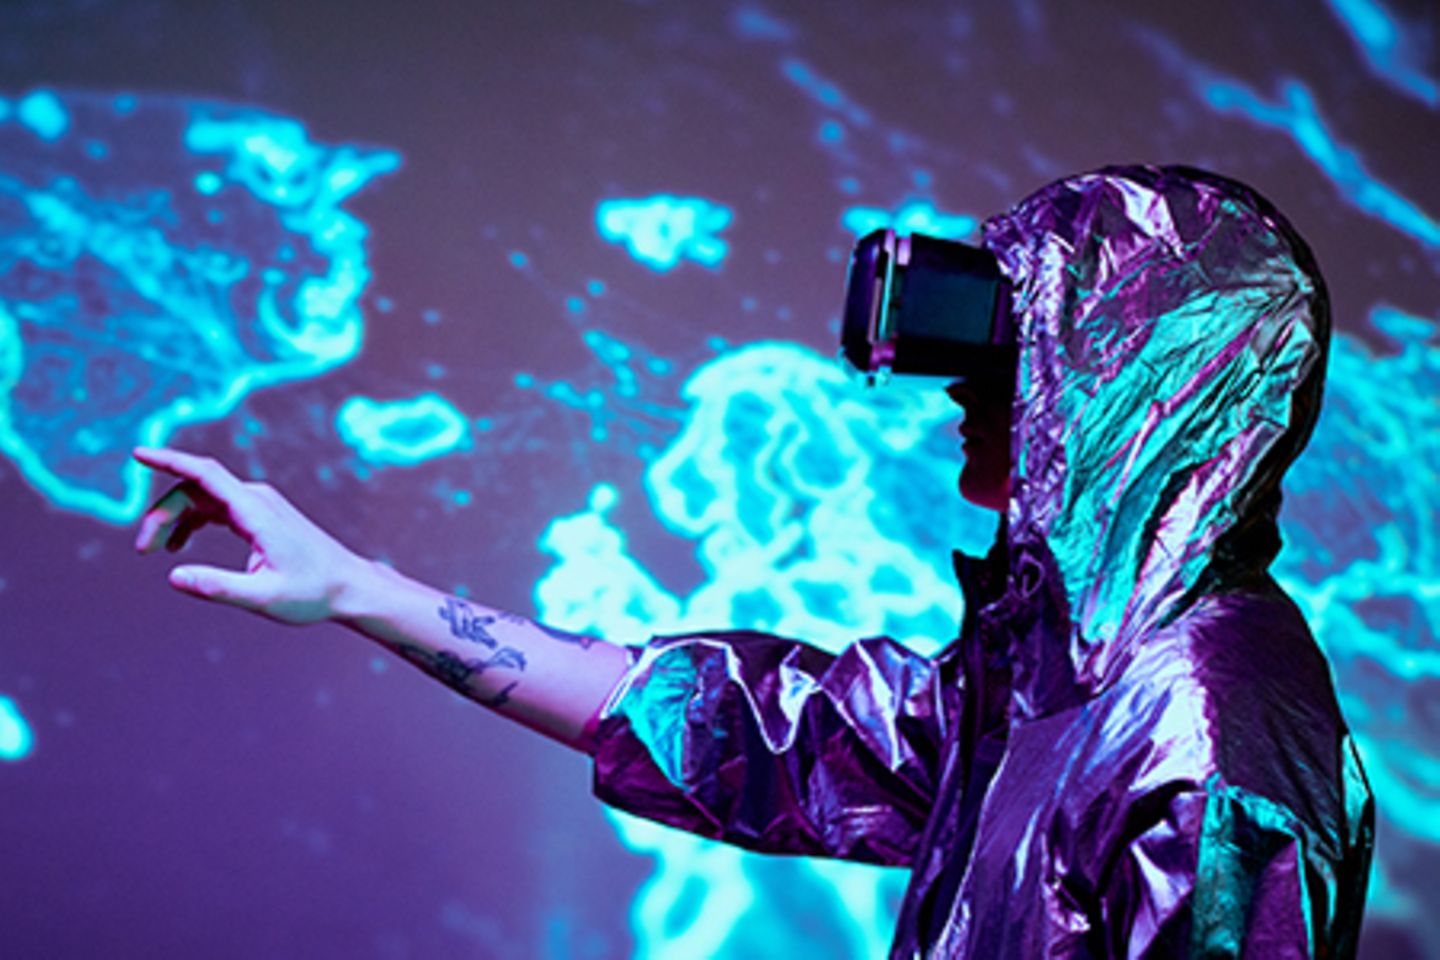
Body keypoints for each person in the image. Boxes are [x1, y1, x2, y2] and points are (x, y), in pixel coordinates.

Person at [137, 166, 1373, 957]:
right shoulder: (1055, 671)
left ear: (1139, 399)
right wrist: (358, 589)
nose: (962, 398)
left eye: (1017, 365)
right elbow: (751, 733)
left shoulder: (1213, 735)